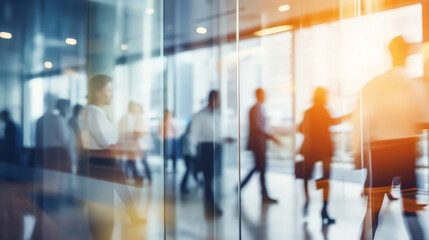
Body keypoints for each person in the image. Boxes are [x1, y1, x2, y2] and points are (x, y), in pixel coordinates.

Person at [359, 36, 427, 240]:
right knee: (411, 211)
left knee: (372, 213)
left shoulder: (373, 85)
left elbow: (365, 122)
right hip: (405, 152)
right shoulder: (414, 86)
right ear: (406, 54)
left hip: (380, 154)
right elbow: (422, 121)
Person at [80, 75, 145, 240]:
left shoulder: (98, 112)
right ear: (97, 92)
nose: (111, 94)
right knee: (103, 211)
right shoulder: (94, 113)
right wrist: (117, 137)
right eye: (108, 90)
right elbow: (106, 139)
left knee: (108, 203)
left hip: (102, 162)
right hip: (101, 163)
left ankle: (132, 215)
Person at [298, 87, 349, 224]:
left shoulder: (309, 112)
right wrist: (349, 115)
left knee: (306, 178)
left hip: (310, 149)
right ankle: (324, 209)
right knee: (326, 180)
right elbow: (333, 122)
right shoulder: (324, 111)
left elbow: (300, 128)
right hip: (324, 150)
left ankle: (308, 199)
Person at [189, 90, 234, 218]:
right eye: (219, 99)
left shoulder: (217, 115)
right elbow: (193, 135)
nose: (220, 102)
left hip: (215, 148)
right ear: (212, 100)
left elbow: (216, 135)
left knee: (211, 179)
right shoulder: (200, 115)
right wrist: (194, 154)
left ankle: (211, 206)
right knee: (208, 179)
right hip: (205, 149)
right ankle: (210, 207)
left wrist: (225, 139)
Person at [240, 88, 280, 203]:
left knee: (259, 168)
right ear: (258, 96)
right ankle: (264, 195)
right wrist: (271, 137)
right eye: (263, 95)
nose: (265, 97)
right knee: (261, 168)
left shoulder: (259, 109)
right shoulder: (255, 109)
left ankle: (242, 187)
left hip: (260, 144)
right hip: (257, 144)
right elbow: (256, 128)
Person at [35, 97, 72, 173]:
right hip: (57, 152)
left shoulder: (40, 120)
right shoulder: (58, 119)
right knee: (56, 176)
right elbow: (64, 139)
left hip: (43, 151)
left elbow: (38, 139)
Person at [69, 104, 84, 175]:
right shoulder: (71, 121)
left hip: (80, 145)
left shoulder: (80, 120)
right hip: (73, 144)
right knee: (74, 163)